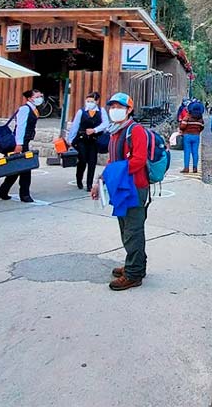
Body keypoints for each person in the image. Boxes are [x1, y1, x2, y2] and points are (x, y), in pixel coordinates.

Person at [91, 92, 150, 291]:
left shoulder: (136, 130)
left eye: (120, 106)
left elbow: (139, 160)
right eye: (112, 106)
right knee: (126, 229)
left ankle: (134, 274)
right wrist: (100, 181)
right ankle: (135, 265)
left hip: (134, 187)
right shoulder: (115, 132)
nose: (115, 110)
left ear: (129, 109)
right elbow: (112, 161)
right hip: (121, 186)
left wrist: (114, 173)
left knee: (133, 230)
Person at [0, 89, 41, 203]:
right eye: (37, 96)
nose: (40, 98)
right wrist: (19, 144)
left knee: (16, 169)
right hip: (20, 142)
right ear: (30, 98)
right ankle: (25, 195)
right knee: (25, 168)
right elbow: (20, 127)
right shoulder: (25, 109)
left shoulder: (33, 109)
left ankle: (3, 191)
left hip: (25, 141)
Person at [66, 91, 108, 191]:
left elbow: (106, 124)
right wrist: (70, 139)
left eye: (92, 101)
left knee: (92, 162)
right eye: (87, 101)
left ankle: (89, 184)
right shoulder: (81, 111)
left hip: (94, 140)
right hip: (82, 139)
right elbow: (75, 125)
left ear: (97, 101)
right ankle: (79, 180)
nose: (89, 103)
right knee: (82, 160)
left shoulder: (101, 111)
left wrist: (95, 130)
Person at [179, 101, 204, 174]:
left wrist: (182, 129)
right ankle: (195, 168)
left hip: (187, 136)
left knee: (187, 152)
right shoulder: (200, 119)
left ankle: (186, 168)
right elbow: (202, 127)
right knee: (195, 152)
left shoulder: (187, 117)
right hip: (196, 136)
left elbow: (182, 126)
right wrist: (197, 131)